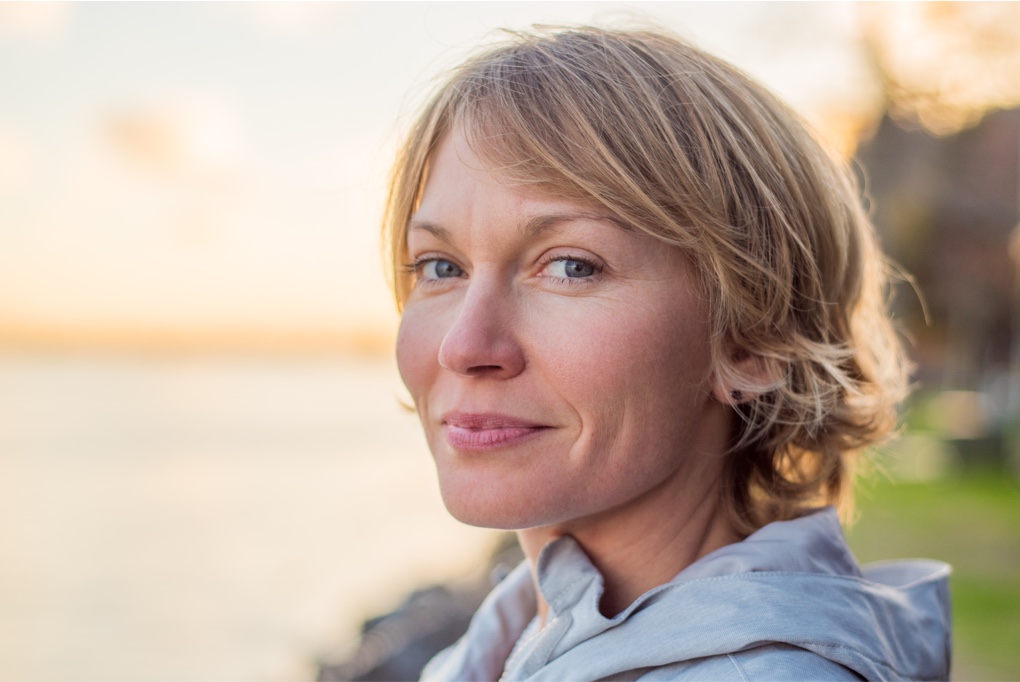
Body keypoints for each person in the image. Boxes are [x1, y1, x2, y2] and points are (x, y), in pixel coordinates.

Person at [383, 25, 951, 681]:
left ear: (752, 340)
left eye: (571, 266)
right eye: (440, 267)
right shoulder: (500, 645)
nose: (465, 345)